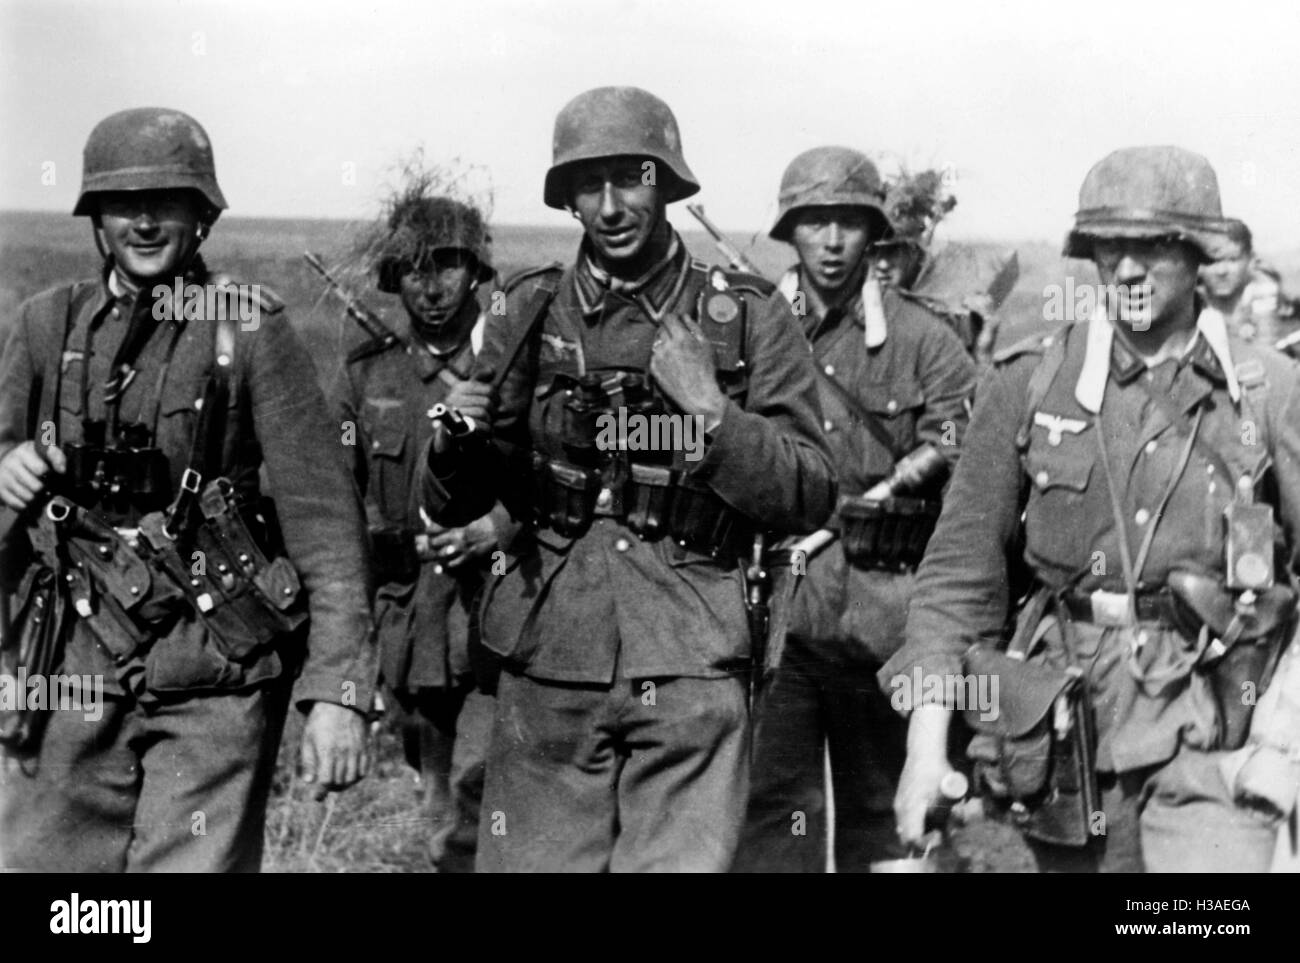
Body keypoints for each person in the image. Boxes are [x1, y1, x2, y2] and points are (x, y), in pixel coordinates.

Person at [418, 85, 836, 872]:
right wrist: (453, 444)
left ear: (668, 184)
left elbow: (811, 490)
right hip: (549, 656)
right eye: (589, 185)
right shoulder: (528, 309)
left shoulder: (745, 315)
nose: (610, 206)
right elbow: (467, 500)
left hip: (691, 657)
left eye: (631, 180)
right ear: (568, 199)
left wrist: (713, 413)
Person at [885, 145, 1300, 872]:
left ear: (1199, 252)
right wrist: (924, 751)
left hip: (1217, 724)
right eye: (1110, 250)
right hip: (1063, 733)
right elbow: (956, 582)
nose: (1127, 271)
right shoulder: (1029, 383)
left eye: (1151, 248)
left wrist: (1285, 735)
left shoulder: (1269, 393)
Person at [0, 107, 375, 872]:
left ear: (200, 215)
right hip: (66, 674)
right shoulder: (46, 326)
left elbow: (325, 523)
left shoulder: (248, 329)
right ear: (95, 219)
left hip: (212, 675)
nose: (143, 221)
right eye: (122, 203)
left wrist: (338, 691)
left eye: (166, 201)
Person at [734, 146, 976, 872]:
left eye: (848, 223)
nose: (833, 242)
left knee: (889, 819)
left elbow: (970, 438)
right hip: (782, 617)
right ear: (792, 233)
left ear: (874, 234)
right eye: (815, 224)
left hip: (888, 621)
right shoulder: (753, 330)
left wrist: (903, 477)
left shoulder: (925, 338)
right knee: (774, 813)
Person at [331, 183, 512, 872]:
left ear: (476, 273)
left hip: (496, 615)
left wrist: (495, 528)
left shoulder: (507, 367)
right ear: (393, 279)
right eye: (413, 269)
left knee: (482, 805)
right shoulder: (365, 375)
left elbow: (556, 482)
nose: (432, 286)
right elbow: (331, 504)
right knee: (439, 807)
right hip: (410, 624)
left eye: (448, 265)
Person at [1200, 218, 1300, 350]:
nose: (1221, 271)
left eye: (1232, 260)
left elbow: (1266, 347)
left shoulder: (1262, 289)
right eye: (1211, 261)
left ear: (1250, 260)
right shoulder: (1192, 294)